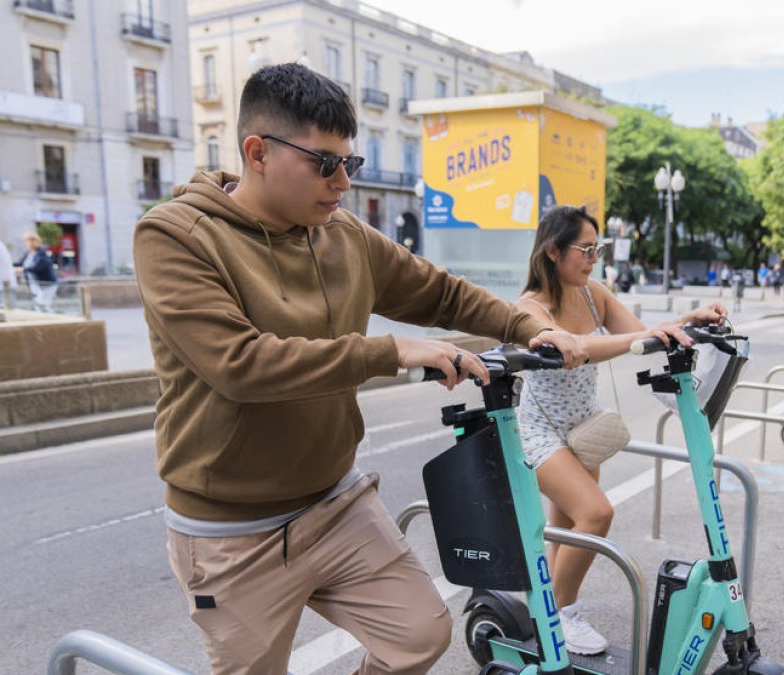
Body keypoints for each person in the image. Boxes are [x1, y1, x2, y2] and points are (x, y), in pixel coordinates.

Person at [132, 63, 587, 675]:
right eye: (325, 162)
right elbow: (239, 364)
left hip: (332, 502)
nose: (342, 180)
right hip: (229, 531)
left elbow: (442, 294)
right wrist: (391, 350)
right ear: (257, 152)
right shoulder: (175, 236)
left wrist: (532, 326)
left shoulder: (342, 233)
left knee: (420, 635)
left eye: (352, 163)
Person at [514, 204, 726, 655]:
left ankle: (547, 611)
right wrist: (632, 341)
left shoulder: (594, 294)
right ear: (552, 251)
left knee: (569, 522)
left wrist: (688, 321)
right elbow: (582, 349)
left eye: (599, 248)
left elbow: (644, 334)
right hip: (539, 431)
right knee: (596, 514)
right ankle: (562, 615)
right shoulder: (528, 308)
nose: (594, 258)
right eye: (585, 249)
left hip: (582, 428)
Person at [17, 232, 58, 312]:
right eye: (27, 241)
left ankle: (51, 321)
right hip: (34, 284)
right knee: (38, 306)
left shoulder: (41, 253)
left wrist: (23, 269)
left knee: (43, 305)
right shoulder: (28, 253)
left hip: (46, 284)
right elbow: (20, 263)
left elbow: (36, 267)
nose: (29, 243)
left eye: (31, 240)